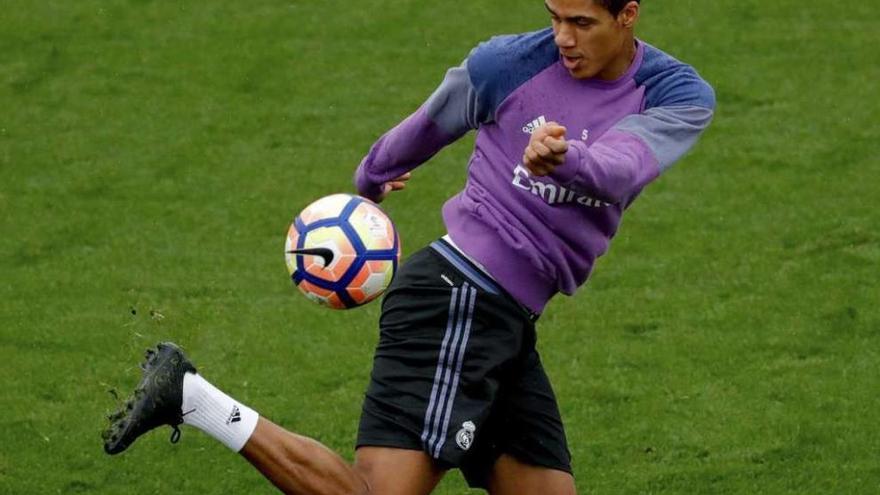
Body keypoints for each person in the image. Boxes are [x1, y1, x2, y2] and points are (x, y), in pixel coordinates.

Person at [102, 1, 715, 493]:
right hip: (458, 299)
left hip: (504, 321)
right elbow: (429, 124)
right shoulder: (506, 63)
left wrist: (566, 158)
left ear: (628, 15)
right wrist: (373, 176)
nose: (563, 37)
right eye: (555, 17)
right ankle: (194, 398)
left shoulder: (674, 92)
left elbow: (622, 167)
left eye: (582, 22)